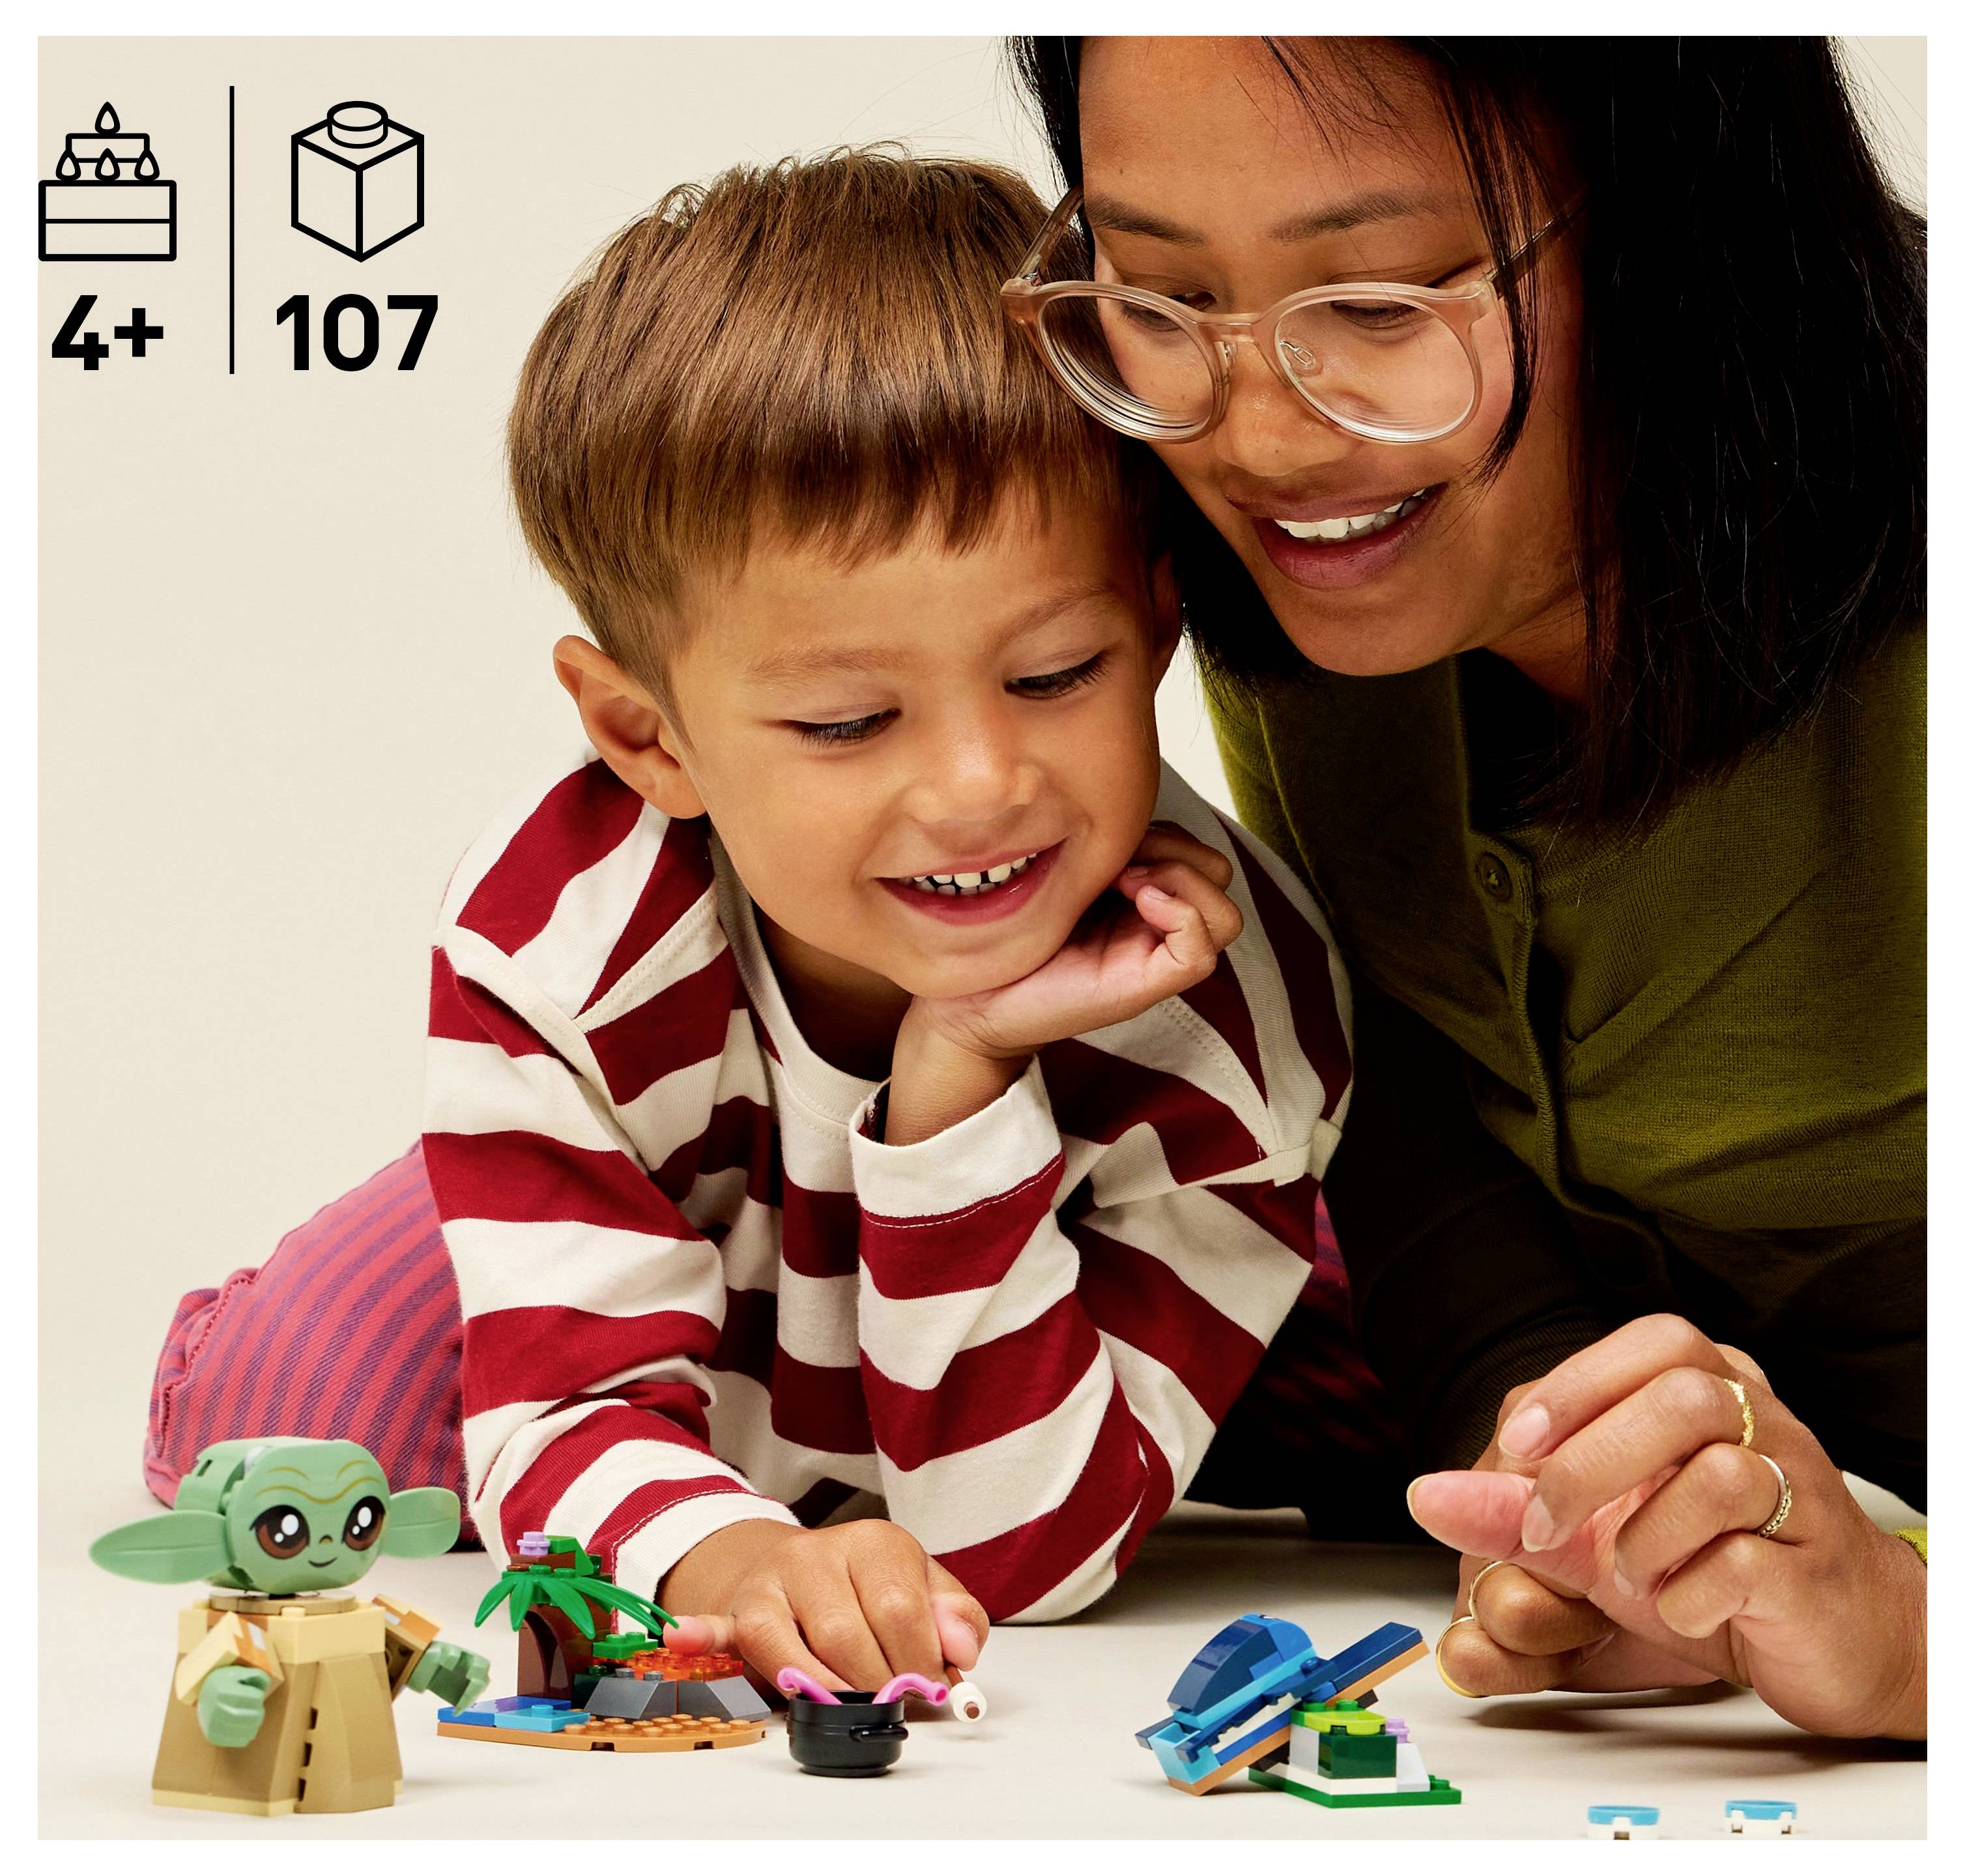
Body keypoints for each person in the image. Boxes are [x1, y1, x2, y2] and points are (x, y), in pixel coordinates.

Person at [142, 150, 1398, 1699]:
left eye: (1053, 676)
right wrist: (725, 1555)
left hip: (1074, 1283)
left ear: (1152, 621)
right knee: (299, 1405)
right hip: (684, 1230)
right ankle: (586, 1321)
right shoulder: (561, 946)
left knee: (1411, 1414)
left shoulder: (1224, 996)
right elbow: (570, 1408)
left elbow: (1018, 1565)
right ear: (646, 736)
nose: (978, 786)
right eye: (847, 721)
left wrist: (959, 1078)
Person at [1008, 36, 1925, 1738]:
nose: (1261, 439)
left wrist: (1908, 1634)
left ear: (1690, 223)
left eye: (1375, 299)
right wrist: (1583, 1502)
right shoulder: (1321, 568)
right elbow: (1412, 1120)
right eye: (1160, 296)